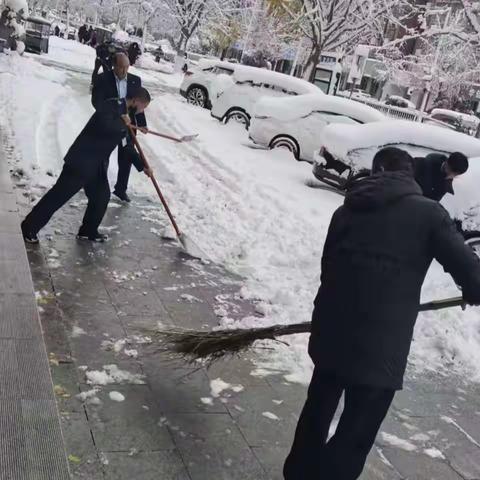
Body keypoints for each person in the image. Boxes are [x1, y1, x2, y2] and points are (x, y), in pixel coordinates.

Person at [284, 146, 480, 480]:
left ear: (375, 172)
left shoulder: (345, 211)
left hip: (331, 333)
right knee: (355, 432)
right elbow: (470, 272)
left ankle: (299, 473)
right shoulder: (430, 214)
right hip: (381, 346)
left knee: (316, 412)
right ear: (411, 174)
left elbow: (328, 268)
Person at [21, 88, 153, 244]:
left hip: (97, 165)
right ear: (136, 101)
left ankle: (88, 231)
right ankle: (29, 227)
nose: (141, 111)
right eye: (143, 107)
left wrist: (143, 165)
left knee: (101, 197)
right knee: (59, 195)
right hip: (81, 161)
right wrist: (122, 123)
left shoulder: (128, 117)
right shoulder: (111, 105)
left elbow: (126, 146)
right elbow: (104, 126)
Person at [92, 52, 148, 203]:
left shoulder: (135, 81)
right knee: (103, 157)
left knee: (126, 157)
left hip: (128, 127)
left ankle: (121, 189)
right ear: (114, 66)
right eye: (121, 67)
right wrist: (112, 112)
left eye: (127, 67)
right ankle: (99, 188)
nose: (124, 71)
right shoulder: (103, 79)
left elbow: (138, 104)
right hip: (108, 125)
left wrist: (142, 124)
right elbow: (97, 103)